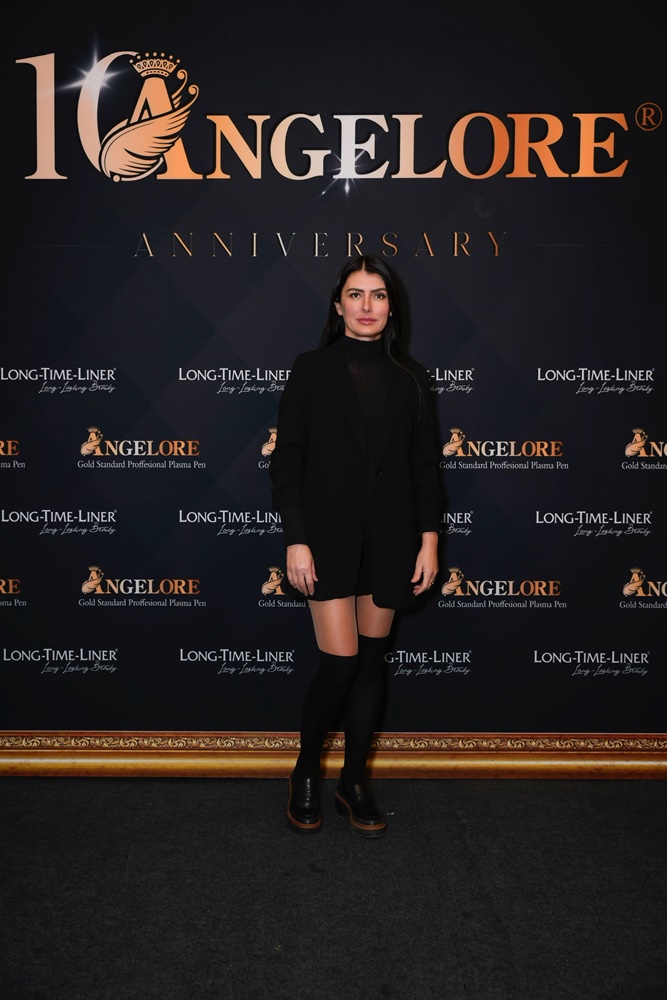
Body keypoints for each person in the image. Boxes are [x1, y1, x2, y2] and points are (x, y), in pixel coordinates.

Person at [269, 254, 443, 838]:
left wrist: (429, 541)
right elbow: (287, 461)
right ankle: (306, 772)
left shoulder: (412, 378)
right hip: (326, 539)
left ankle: (354, 781)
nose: (367, 306)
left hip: (392, 539)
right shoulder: (311, 368)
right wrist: (297, 540)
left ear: (392, 307)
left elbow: (425, 467)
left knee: (371, 662)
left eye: (378, 295)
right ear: (338, 305)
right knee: (340, 662)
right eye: (355, 294)